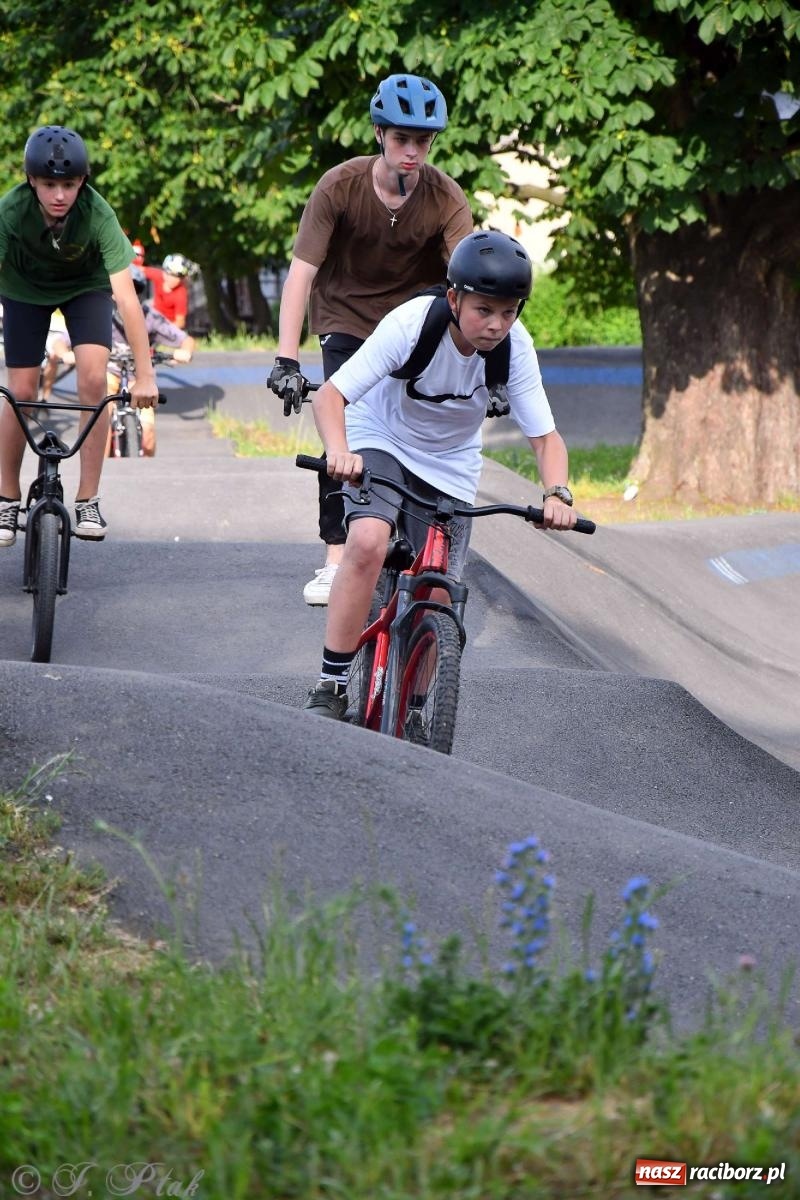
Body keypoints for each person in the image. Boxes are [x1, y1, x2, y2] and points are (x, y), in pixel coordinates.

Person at [302, 229, 579, 718]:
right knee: (367, 541)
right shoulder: (410, 325)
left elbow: (545, 438)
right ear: (454, 298)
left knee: (436, 591)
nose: (496, 324)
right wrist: (339, 451)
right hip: (380, 435)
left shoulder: (515, 349)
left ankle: (412, 709)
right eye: (484, 310)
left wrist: (557, 493)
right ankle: (332, 683)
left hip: (450, 461)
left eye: (509, 311)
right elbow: (331, 396)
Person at [268, 73, 474, 606]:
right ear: (379, 134)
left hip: (412, 324)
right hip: (346, 318)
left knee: (411, 422)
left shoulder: (446, 197)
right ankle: (335, 557)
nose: (413, 152)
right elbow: (300, 276)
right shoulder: (339, 187)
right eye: (402, 139)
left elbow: (469, 275)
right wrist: (286, 358)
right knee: (346, 429)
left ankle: (408, 540)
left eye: (423, 142)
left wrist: (488, 364)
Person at [0, 125, 158, 545]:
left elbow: (126, 300)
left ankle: (88, 498)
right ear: (31, 179)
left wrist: (145, 375)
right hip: (22, 288)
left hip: (84, 287)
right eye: (49, 184)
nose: (58, 195)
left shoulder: (98, 214)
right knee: (19, 388)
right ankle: (6, 498)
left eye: (69, 185)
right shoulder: (10, 211)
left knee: (93, 378)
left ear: (82, 182)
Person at [106, 265, 195, 456]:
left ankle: (146, 471)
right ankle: (101, 469)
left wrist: (184, 352)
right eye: (119, 290)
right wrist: (64, 352)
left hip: (139, 376)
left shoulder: (151, 317)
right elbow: (66, 340)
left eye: (135, 289)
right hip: (109, 371)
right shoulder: (101, 315)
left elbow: (185, 339)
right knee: (102, 421)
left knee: (147, 434)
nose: (127, 295)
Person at [143, 253, 192, 329]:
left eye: (177, 276)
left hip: (167, 324)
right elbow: (139, 270)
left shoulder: (181, 294)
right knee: (142, 306)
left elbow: (180, 322)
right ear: (164, 271)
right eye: (169, 273)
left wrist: (162, 329)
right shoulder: (159, 276)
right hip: (154, 315)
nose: (172, 278)